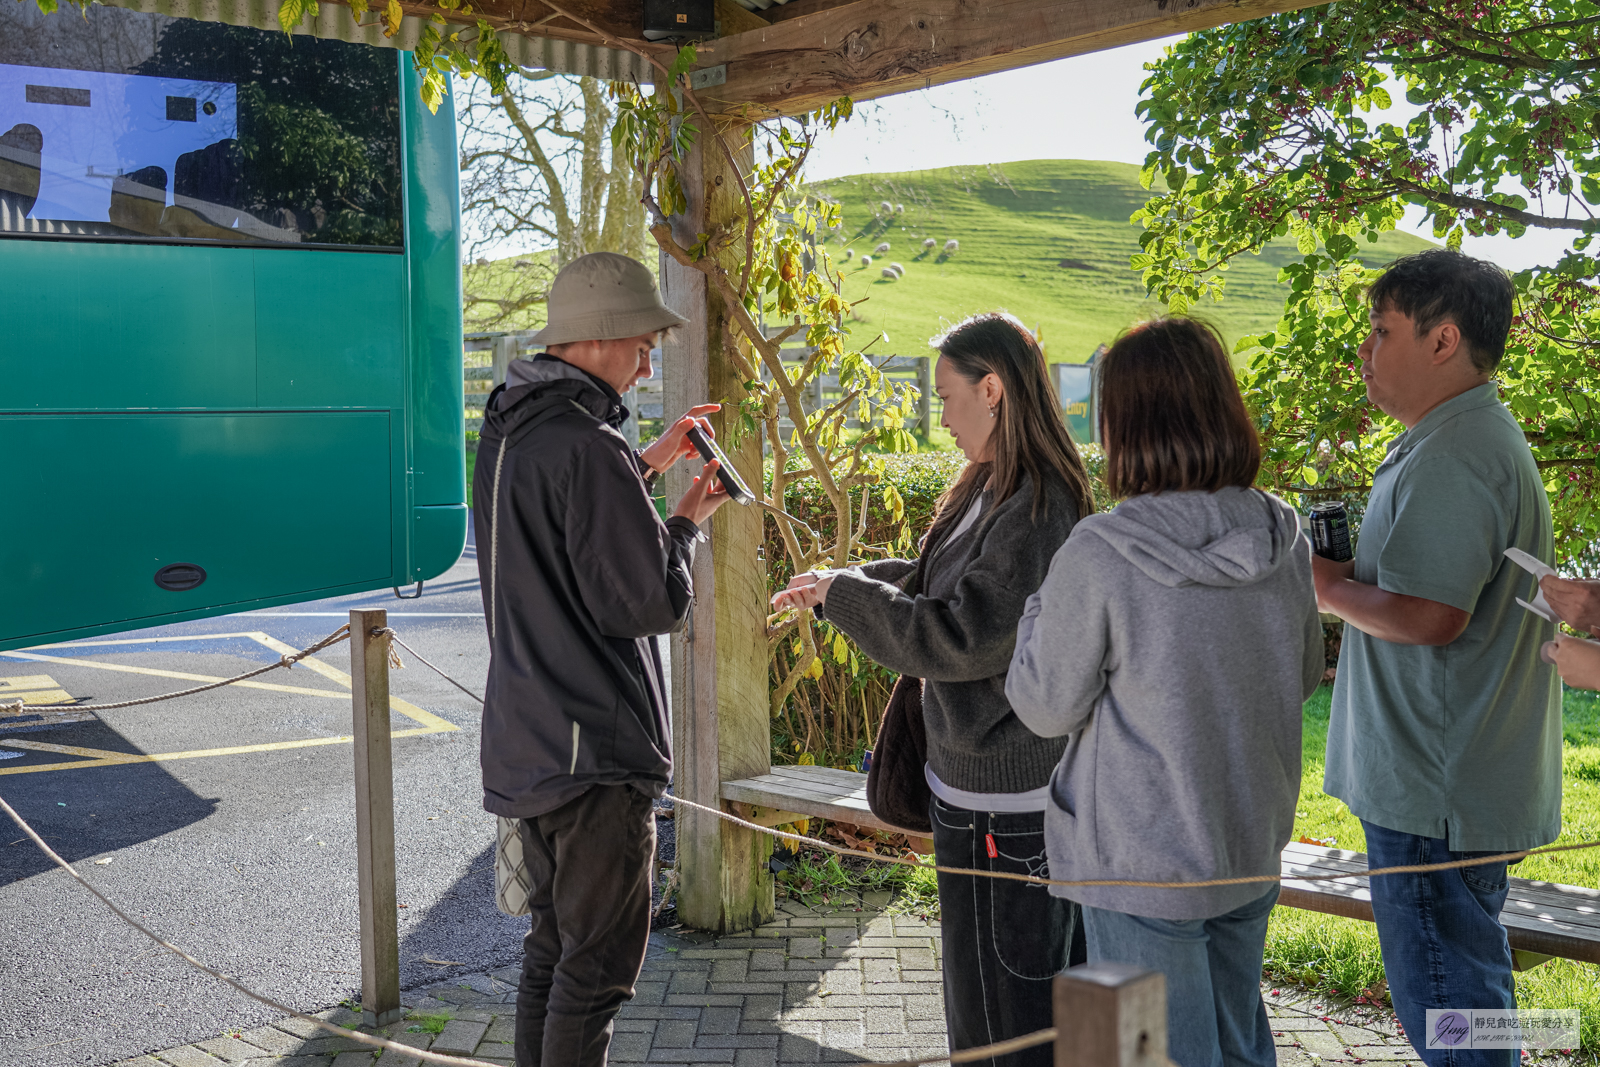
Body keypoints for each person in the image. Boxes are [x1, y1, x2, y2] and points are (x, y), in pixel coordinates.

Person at [771, 312, 1096, 1067]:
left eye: (947, 396)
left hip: (1010, 813)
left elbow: (959, 634)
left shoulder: (1040, 505)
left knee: (1009, 1019)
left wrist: (843, 599)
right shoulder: (991, 484)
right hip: (970, 796)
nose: (939, 416)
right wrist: (837, 584)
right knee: (978, 1009)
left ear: (993, 389)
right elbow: (933, 587)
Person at [1007, 317, 1323, 1067]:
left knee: (1132, 1056)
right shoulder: (1284, 533)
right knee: (1239, 1042)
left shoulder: (1102, 552)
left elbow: (1044, 702)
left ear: (1125, 422)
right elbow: (1304, 671)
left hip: (1134, 861)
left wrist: (1035, 609)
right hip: (1245, 838)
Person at [472, 251, 733, 1067]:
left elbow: (563, 529)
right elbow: (648, 603)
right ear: (598, 339)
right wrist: (686, 522)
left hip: (530, 740)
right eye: (643, 342)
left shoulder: (513, 427)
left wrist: (644, 463)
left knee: (553, 951)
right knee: (596, 971)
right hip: (595, 755)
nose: (649, 360)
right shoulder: (589, 445)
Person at [1313, 250, 1559, 1067]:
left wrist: (1325, 589)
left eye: (1381, 332)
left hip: (1434, 800)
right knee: (1466, 1000)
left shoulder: (1458, 453)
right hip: (1442, 789)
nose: (1364, 353)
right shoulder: (1454, 434)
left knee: (1454, 1013)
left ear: (1443, 339)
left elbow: (1429, 616)